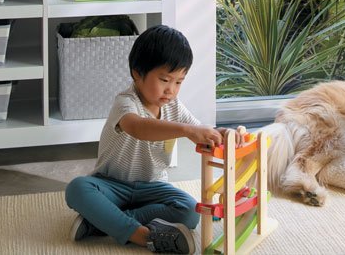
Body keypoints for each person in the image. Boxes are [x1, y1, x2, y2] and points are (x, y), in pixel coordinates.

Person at [65, 25, 230, 254]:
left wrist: (224, 134)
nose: (171, 90)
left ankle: (101, 222)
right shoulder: (125, 102)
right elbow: (138, 127)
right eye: (164, 79)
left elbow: (201, 130)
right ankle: (144, 237)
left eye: (179, 82)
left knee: (191, 211)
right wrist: (186, 130)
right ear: (137, 73)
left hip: (153, 187)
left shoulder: (174, 106)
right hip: (112, 185)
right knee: (77, 188)